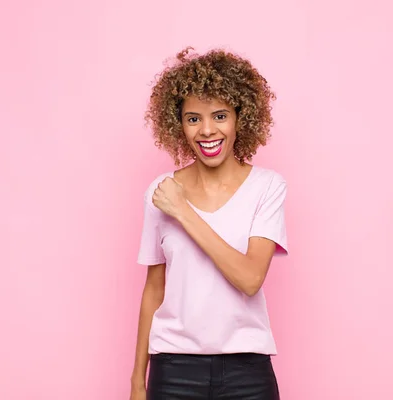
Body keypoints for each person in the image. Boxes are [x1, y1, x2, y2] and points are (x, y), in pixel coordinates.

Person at [130, 47, 288, 400]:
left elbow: (249, 279)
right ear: (178, 124)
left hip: (247, 372)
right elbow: (153, 289)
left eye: (219, 116)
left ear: (239, 118)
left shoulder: (267, 187)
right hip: (173, 372)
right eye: (193, 118)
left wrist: (184, 212)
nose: (206, 131)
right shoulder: (160, 192)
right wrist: (137, 383)